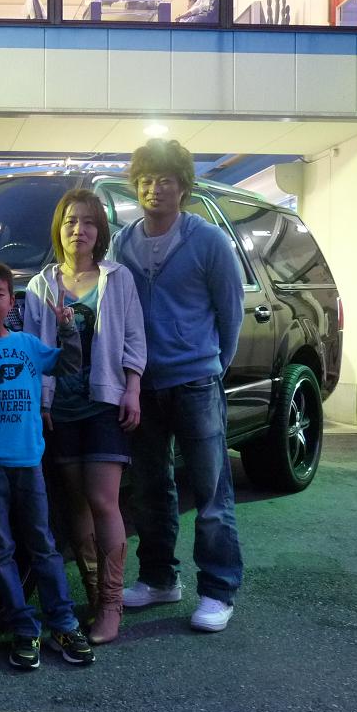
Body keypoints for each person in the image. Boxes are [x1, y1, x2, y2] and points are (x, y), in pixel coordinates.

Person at [108, 139, 245, 633]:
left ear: (183, 187)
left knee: (211, 494)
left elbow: (231, 313)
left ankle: (218, 591)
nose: (154, 189)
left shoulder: (208, 241)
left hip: (196, 382)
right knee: (150, 490)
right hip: (142, 385)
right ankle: (159, 579)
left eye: (165, 180)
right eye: (146, 180)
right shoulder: (123, 242)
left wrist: (211, 366)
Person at [0, 260, 95, 670]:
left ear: (11, 302)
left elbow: (67, 365)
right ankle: (23, 627)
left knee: (43, 545)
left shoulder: (28, 344)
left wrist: (68, 329)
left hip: (30, 460)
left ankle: (63, 623)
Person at [24, 189, 146, 644]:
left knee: (103, 501)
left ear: (101, 231)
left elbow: (134, 338)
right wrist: (41, 403)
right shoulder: (40, 285)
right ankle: (94, 597)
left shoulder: (118, 278)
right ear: (59, 229)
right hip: (60, 408)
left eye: (89, 221)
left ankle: (112, 604)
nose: (79, 230)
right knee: (75, 503)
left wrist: (132, 388)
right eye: (71, 221)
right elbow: (34, 350)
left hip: (104, 403)